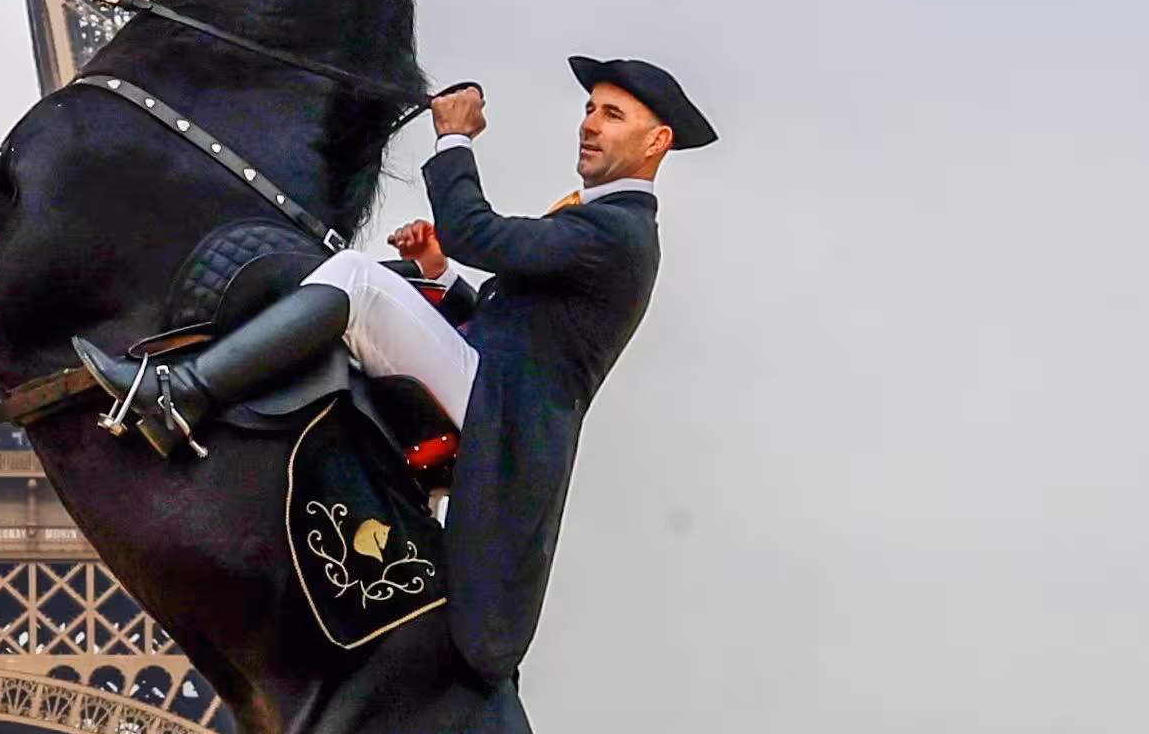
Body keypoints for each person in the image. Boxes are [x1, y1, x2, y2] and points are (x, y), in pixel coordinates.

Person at [80, 56, 715, 685]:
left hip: (498, 410)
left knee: (357, 282)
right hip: (492, 387)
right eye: (588, 110)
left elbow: (474, 230)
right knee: (364, 286)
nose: (588, 125)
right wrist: (440, 273)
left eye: (611, 114)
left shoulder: (617, 231)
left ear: (656, 140)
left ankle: (183, 392)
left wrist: (455, 137)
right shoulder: (597, 221)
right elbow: (518, 327)